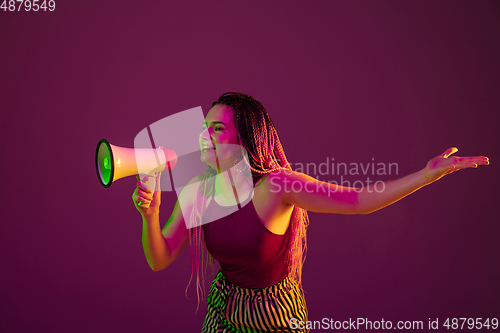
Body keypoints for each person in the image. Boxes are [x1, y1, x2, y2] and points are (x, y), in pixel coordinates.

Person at [132, 92, 489, 333]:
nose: (203, 136)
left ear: (246, 138)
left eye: (218, 128)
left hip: (276, 314)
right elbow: (159, 259)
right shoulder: (199, 191)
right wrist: (152, 214)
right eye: (203, 128)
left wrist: (426, 176)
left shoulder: (278, 186)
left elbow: (359, 201)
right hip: (223, 309)